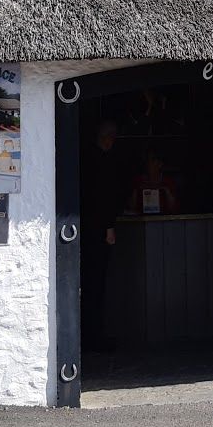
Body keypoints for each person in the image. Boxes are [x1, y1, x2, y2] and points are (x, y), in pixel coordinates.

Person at [80, 119, 130, 351]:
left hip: (88, 228)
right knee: (95, 283)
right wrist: (109, 226)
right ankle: (93, 337)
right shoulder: (99, 163)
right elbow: (102, 199)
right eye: (112, 138)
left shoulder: (89, 159)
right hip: (96, 231)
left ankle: (92, 335)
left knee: (93, 284)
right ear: (106, 138)